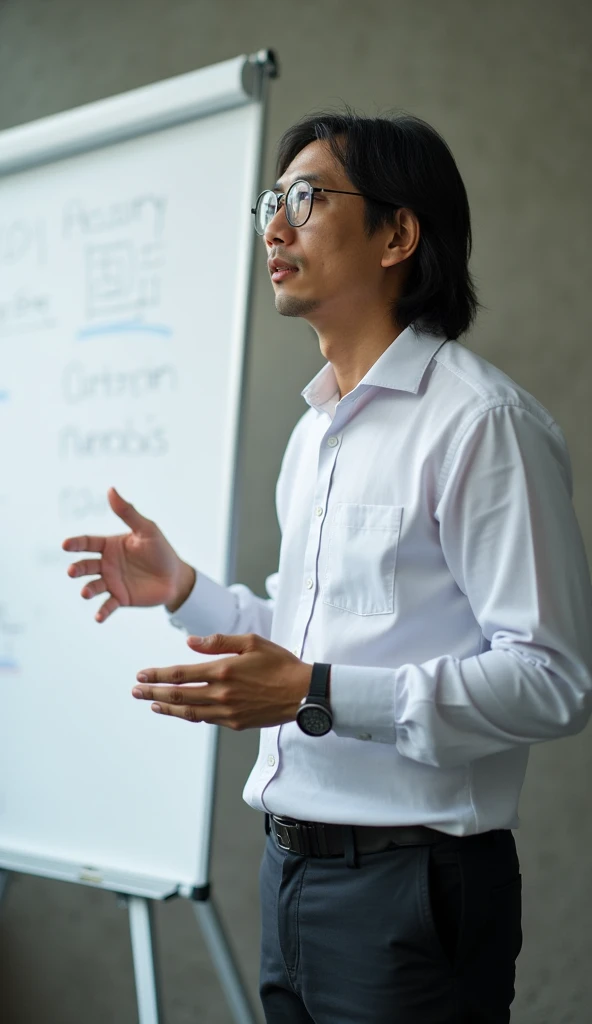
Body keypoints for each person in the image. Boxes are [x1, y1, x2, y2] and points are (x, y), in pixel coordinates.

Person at [63, 111, 592, 1024]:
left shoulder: (481, 425)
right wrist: (187, 592)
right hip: (290, 874)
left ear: (398, 233)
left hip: (413, 892)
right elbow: (310, 635)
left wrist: (316, 693)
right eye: (272, 202)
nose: (274, 226)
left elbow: (553, 682)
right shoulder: (315, 436)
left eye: (305, 199)